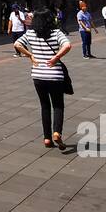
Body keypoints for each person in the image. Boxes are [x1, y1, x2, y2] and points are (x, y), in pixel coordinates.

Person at [14, 9, 73, 149]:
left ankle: (47, 138)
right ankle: (57, 133)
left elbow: (17, 44)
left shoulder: (30, 33)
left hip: (38, 75)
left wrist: (30, 55)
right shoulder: (56, 33)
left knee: (44, 106)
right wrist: (56, 57)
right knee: (58, 105)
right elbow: (67, 45)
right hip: (55, 75)